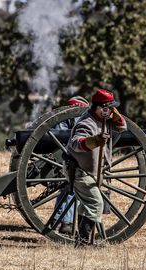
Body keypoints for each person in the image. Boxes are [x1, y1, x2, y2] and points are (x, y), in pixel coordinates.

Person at [66, 89, 127, 247]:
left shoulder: (104, 117)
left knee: (87, 205)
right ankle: (84, 243)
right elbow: (75, 143)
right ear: (100, 108)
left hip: (92, 169)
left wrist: (114, 114)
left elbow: (122, 128)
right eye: (109, 108)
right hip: (80, 171)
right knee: (95, 203)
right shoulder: (87, 123)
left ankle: (82, 242)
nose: (112, 110)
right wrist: (93, 141)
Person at [53, 96, 89, 235]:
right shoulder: (78, 119)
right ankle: (66, 223)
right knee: (71, 188)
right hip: (70, 156)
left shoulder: (61, 119)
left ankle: (58, 219)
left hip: (64, 154)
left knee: (67, 188)